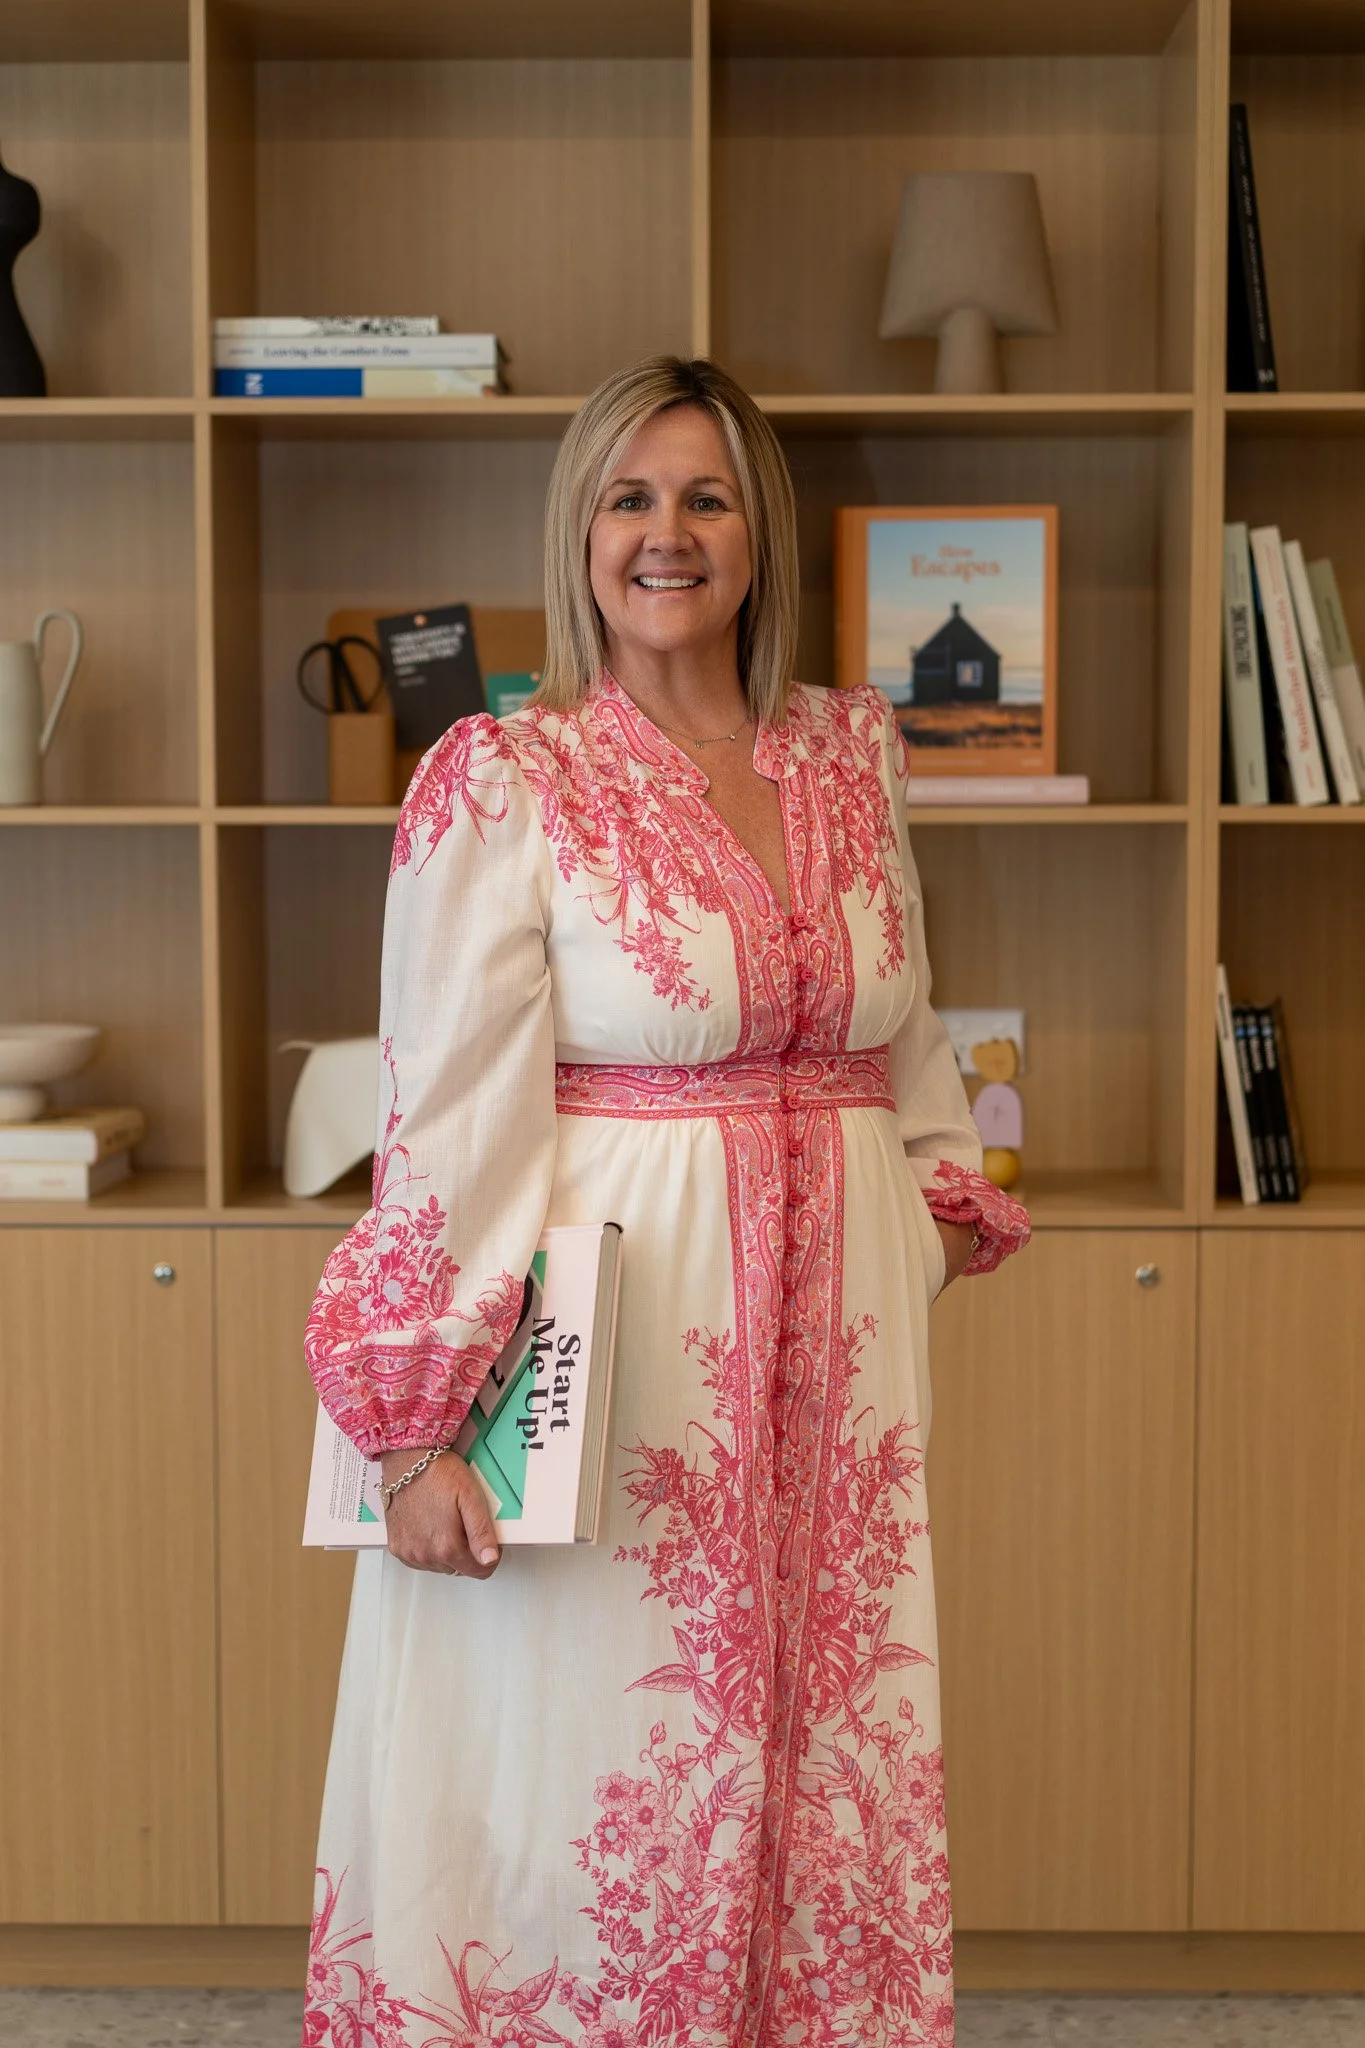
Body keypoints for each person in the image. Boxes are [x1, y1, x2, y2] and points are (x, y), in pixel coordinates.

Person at [302, 355, 1030, 2048]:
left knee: (823, 1758)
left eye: (705, 496)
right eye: (630, 496)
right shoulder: (510, 775)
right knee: (595, 1770)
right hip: (616, 1365)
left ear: (760, 529)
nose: (667, 534)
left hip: (842, 1385)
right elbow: (451, 1115)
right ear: (580, 529)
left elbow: (903, 1026)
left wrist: (924, 1205)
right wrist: (416, 1428)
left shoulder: (853, 753)